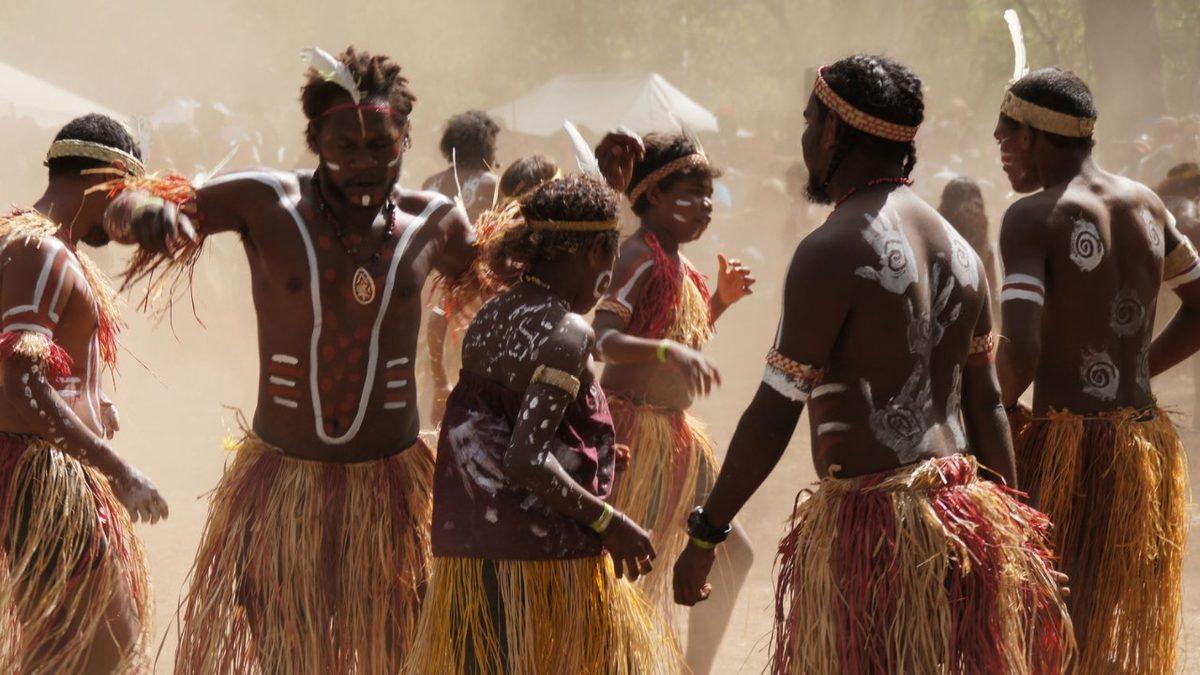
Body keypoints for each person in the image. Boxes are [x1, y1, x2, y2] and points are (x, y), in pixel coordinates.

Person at [671, 55, 1073, 674]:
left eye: (810, 123)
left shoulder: (832, 249)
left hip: (877, 537)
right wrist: (1020, 536)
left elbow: (776, 410)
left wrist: (708, 532)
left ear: (834, 132)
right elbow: (987, 402)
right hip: (964, 519)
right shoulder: (961, 253)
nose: (804, 140)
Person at [104, 46, 475, 672]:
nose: (363, 163)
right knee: (288, 652)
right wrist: (148, 215)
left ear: (406, 136)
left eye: (380, 146)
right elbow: (120, 208)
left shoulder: (438, 222)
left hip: (390, 487)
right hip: (286, 488)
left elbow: (508, 273)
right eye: (344, 146)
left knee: (392, 650)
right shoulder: (265, 202)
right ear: (313, 138)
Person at [404, 175, 679, 673]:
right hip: (542, 563)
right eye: (611, 255)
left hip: (473, 560)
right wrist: (609, 521)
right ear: (597, 250)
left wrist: (590, 452)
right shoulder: (566, 331)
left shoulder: (492, 315)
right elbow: (526, 459)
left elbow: (499, 425)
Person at [995, 67, 1188, 674]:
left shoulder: (1032, 217)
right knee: (1098, 617)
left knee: (1051, 622)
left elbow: (1021, 350)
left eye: (1005, 135)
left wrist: (981, 414)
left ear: (1034, 136)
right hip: (1140, 446)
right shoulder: (1147, 205)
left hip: (1067, 451)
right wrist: (1139, 372)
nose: (999, 149)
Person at [0, 114, 168, 673]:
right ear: (109, 183)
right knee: (101, 648)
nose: (127, 223)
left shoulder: (42, 246)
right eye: (130, 202)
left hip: (39, 470)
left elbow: (42, 370)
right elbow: (21, 384)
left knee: (71, 650)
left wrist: (91, 401)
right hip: (36, 476)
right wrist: (117, 468)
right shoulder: (39, 251)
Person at [591, 132, 755, 673]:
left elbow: (680, 337)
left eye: (709, 195)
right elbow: (604, 338)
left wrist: (720, 304)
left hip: (675, 437)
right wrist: (668, 352)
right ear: (652, 195)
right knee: (624, 573)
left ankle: (694, 668)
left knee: (733, 552)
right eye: (690, 192)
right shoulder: (639, 255)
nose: (704, 206)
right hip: (631, 436)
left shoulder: (679, 267)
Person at [427, 155, 560, 424]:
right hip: (513, 401)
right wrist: (441, 388)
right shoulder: (506, 253)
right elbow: (439, 317)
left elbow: (437, 318)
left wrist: (441, 387)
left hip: (496, 398)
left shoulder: (491, 248)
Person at [422, 110, 501, 223]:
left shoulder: (429, 183)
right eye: (494, 150)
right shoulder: (492, 183)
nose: (495, 159)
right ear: (485, 148)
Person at [938, 176, 1000, 319]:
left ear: (944, 205)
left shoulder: (936, 239)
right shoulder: (984, 248)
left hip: (942, 320)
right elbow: (992, 296)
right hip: (975, 322)